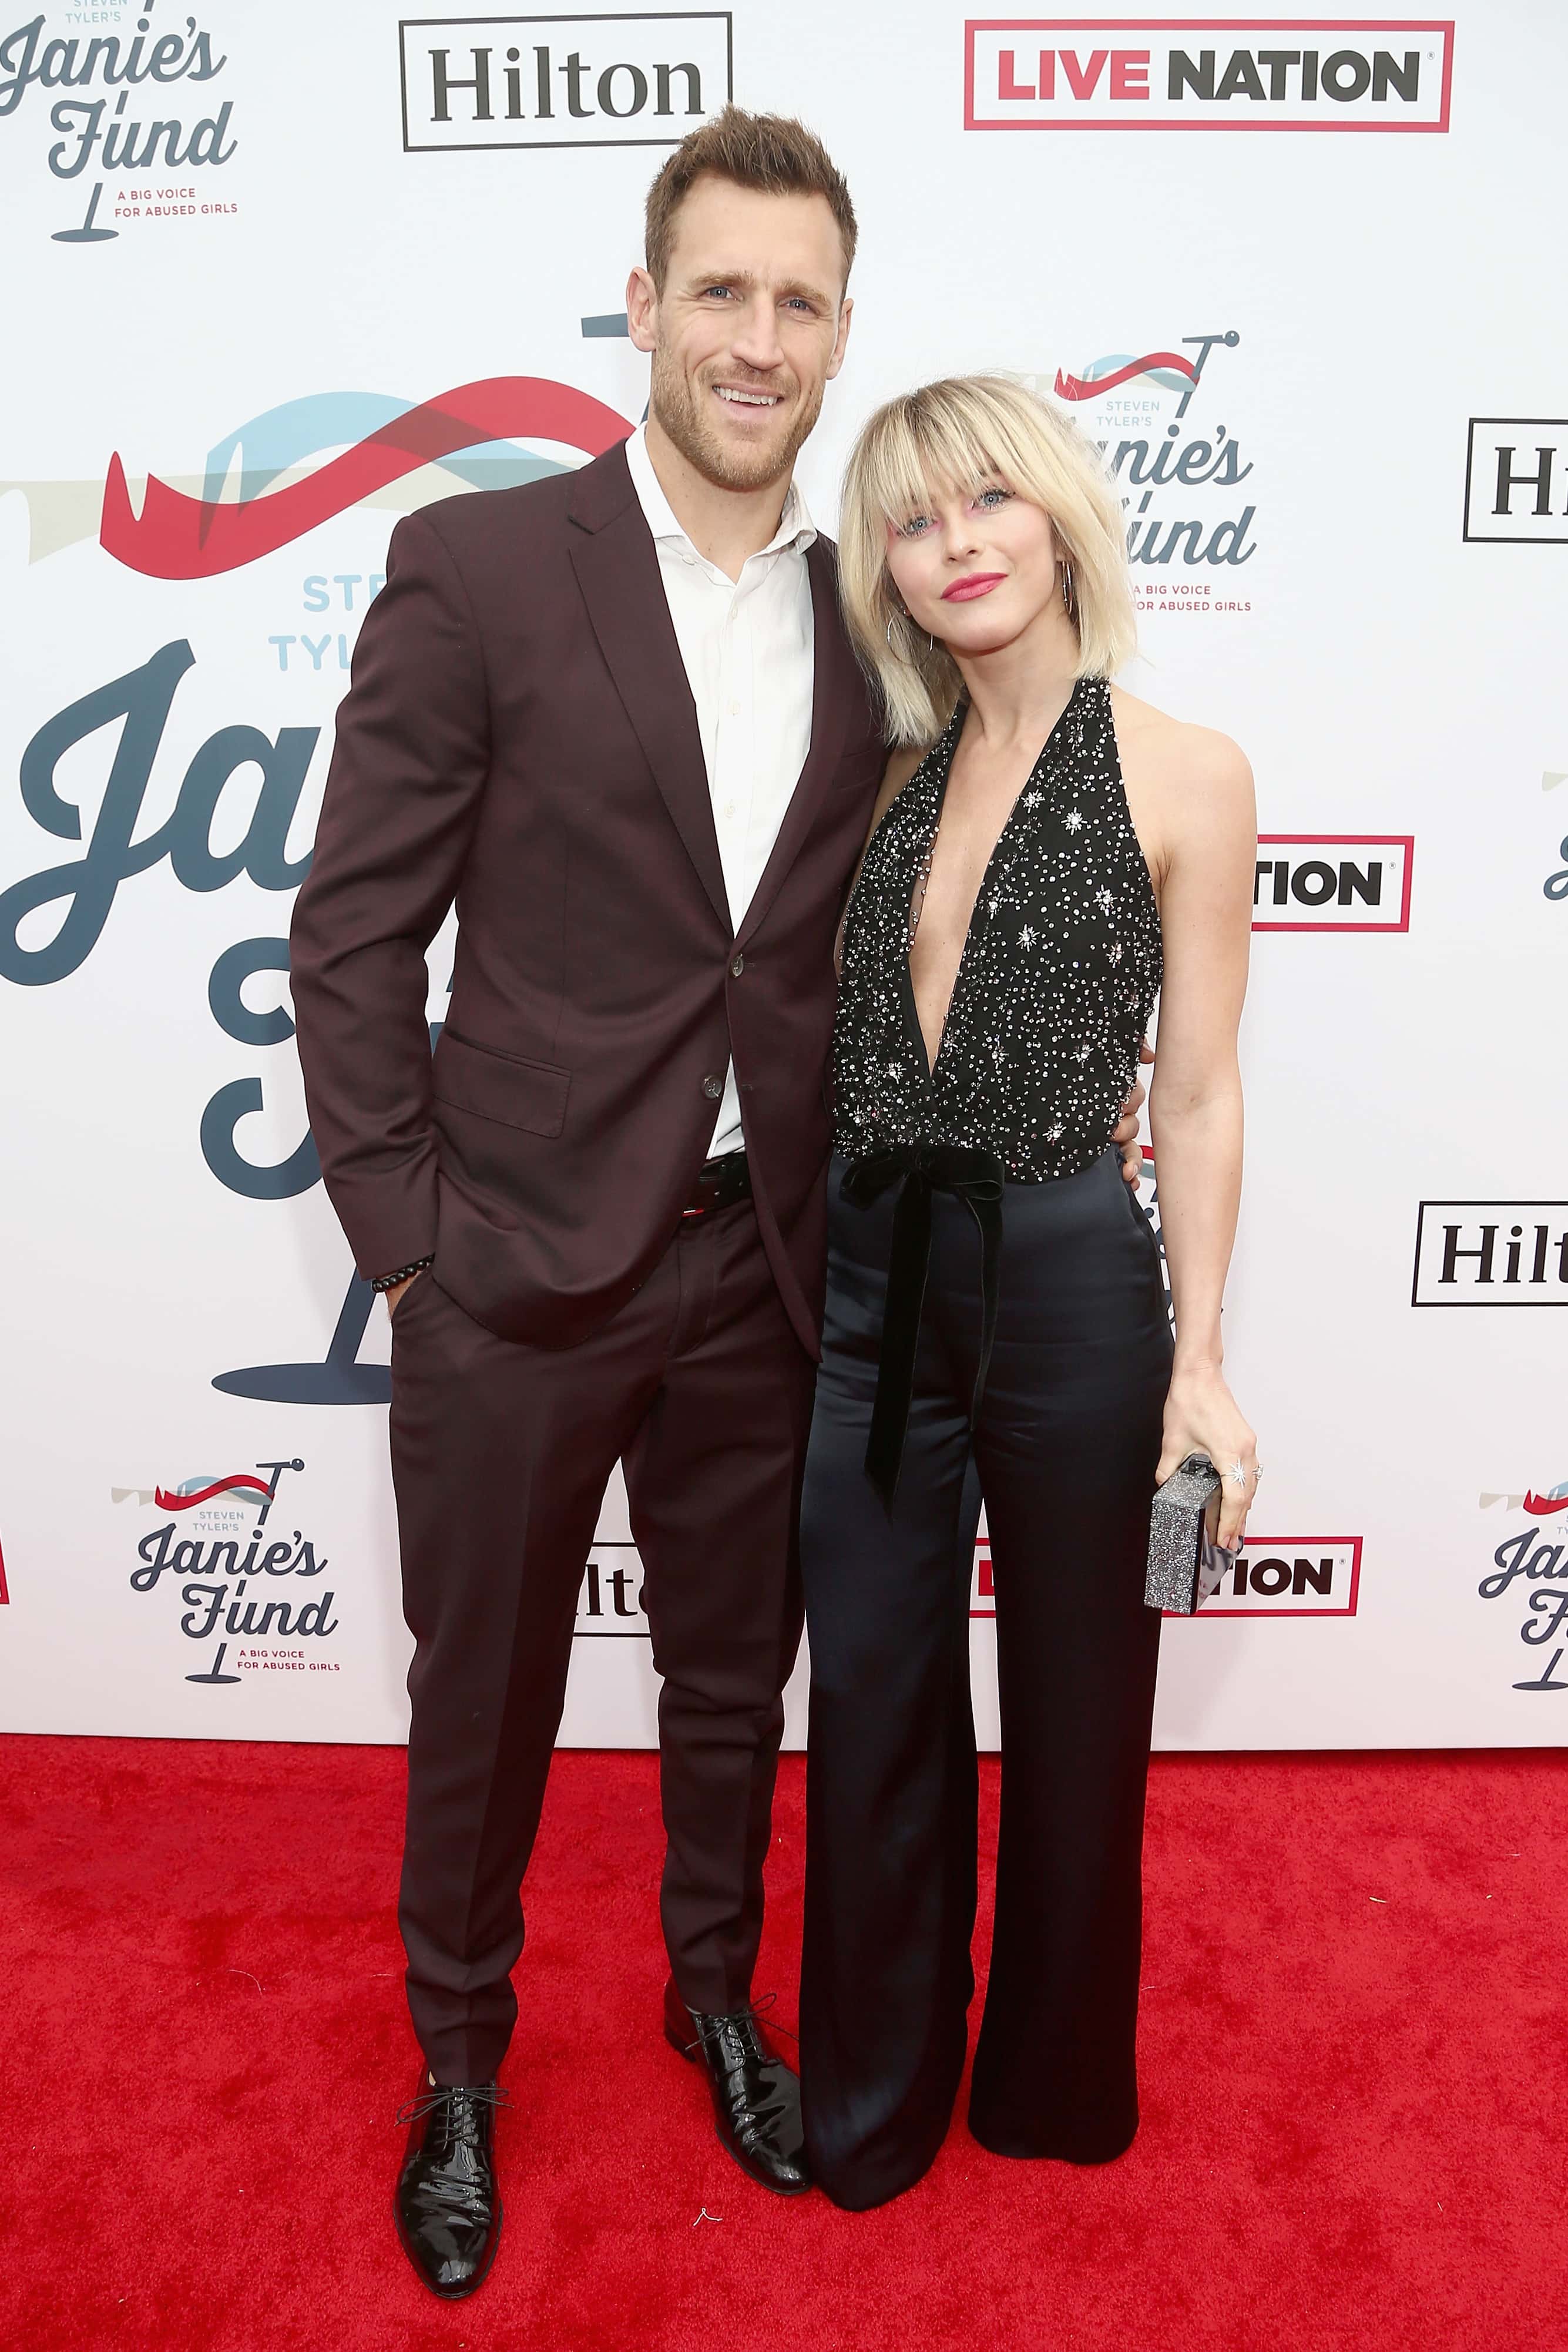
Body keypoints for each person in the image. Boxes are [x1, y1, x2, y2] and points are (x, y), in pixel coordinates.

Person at [291, 112, 1146, 2295]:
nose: (759, 339)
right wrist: (410, 1243)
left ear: (840, 334)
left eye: (800, 302)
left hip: (773, 1261)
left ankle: (713, 1995)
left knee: (731, 1681)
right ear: (645, 306)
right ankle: (459, 2064)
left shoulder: (877, 621)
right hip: (510, 1260)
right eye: (722, 292)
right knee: (480, 1692)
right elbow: (353, 933)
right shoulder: (481, 569)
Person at [797, 375, 1259, 2212]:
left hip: (1071, 1283)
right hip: (875, 1287)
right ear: (888, 574)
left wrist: (1201, 1359)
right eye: (913, 521)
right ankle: (874, 2096)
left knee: (1080, 1710)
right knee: (874, 1702)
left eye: (987, 498)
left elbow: (1198, 1093)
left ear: (1059, 516)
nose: (957, 542)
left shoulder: (1187, 771)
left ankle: (1056, 2081)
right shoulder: (888, 779)